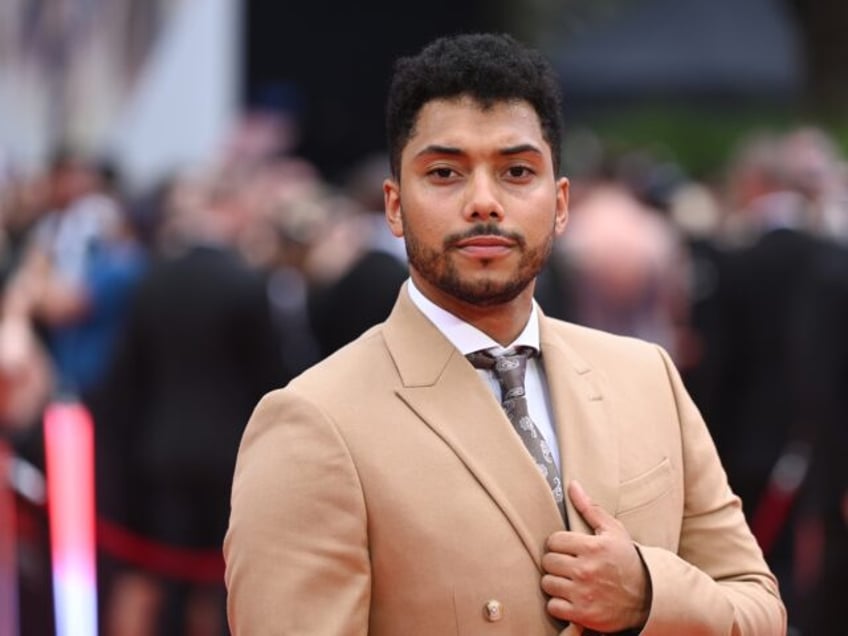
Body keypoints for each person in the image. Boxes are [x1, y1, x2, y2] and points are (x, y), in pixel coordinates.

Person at [224, 33, 785, 635]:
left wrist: (648, 594)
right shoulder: (313, 421)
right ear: (393, 205)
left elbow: (759, 610)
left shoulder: (646, 377)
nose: (484, 202)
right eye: (445, 172)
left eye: (517, 171)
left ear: (561, 202)